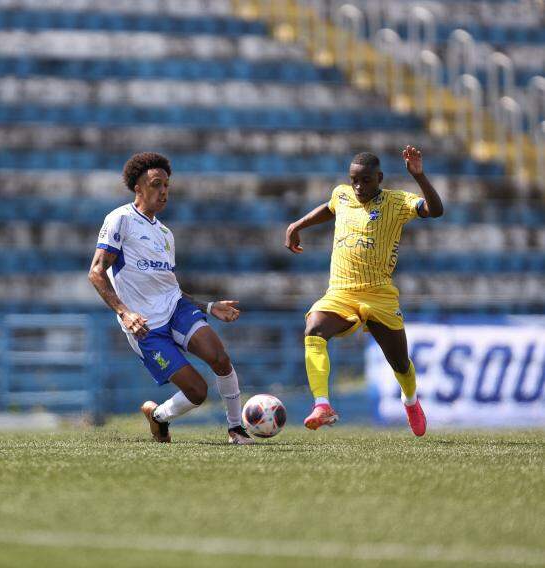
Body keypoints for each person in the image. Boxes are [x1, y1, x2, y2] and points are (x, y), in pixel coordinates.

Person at [88, 152, 254, 444]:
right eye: (155, 184)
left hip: (176, 309)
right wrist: (126, 313)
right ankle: (159, 417)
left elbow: (169, 286)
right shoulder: (120, 220)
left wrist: (209, 306)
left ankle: (235, 428)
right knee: (197, 392)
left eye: (166, 185)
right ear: (138, 188)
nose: (163, 191)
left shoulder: (166, 234)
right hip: (145, 327)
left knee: (220, 358)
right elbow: (96, 272)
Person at [285, 146, 444, 437]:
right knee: (314, 330)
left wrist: (419, 177)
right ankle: (322, 405)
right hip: (341, 292)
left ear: (379, 177)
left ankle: (410, 400)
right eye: (354, 180)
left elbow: (436, 210)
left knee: (400, 363)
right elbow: (329, 208)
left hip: (380, 295)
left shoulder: (397, 202)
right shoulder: (342, 194)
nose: (359, 186)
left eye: (366, 180)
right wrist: (299, 224)